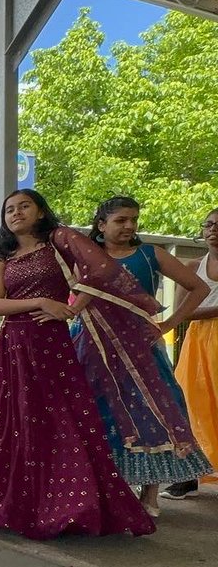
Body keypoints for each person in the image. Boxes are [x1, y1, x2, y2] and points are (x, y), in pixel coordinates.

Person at [0, 189, 155, 539]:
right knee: (12, 419)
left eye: (24, 206)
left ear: (40, 212)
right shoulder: (2, 256)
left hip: (51, 343)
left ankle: (70, 503)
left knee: (59, 416)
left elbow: (104, 271)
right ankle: (19, 498)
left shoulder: (59, 240)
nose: (15, 213)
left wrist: (72, 306)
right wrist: (43, 302)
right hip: (13, 344)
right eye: (9, 209)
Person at [75, 196, 212, 514]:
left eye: (133, 219)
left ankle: (150, 493)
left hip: (140, 350)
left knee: (152, 413)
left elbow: (199, 288)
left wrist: (169, 322)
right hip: (91, 345)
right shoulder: (85, 258)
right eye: (121, 220)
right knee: (97, 414)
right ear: (101, 225)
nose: (130, 225)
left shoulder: (152, 255)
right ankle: (107, 487)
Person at [163, 207, 218, 499]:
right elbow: (183, 312)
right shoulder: (193, 266)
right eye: (208, 225)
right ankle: (189, 474)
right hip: (198, 343)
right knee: (190, 405)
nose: (213, 231)